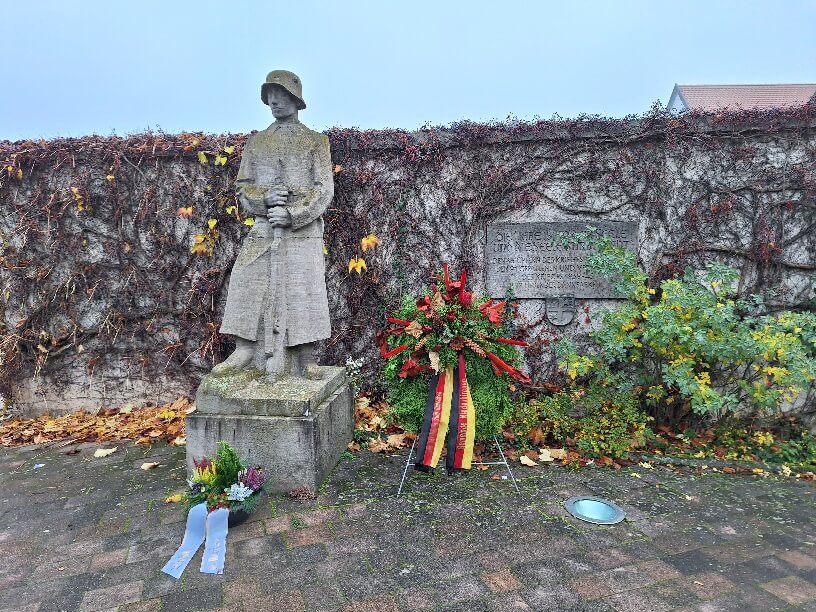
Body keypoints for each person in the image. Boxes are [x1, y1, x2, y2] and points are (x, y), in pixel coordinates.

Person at [212, 70, 333, 376]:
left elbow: (324, 190)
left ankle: (306, 357)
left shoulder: (316, 142)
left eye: (280, 95)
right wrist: (264, 200)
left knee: (303, 286)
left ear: (295, 99)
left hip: (302, 231)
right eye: (270, 97)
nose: (274, 102)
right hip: (264, 229)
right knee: (246, 278)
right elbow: (243, 186)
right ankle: (244, 349)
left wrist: (293, 215)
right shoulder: (257, 143)